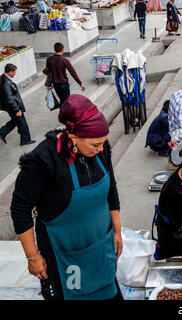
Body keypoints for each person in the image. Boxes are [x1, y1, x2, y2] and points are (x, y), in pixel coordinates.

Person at [10, 94, 123, 300]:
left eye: (102, 143)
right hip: (63, 253)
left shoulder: (101, 148)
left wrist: (117, 230)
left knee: (108, 292)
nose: (100, 150)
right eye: (95, 145)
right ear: (74, 137)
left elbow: (111, 188)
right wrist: (32, 256)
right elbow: (20, 208)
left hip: (100, 242)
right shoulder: (42, 161)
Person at [0, 64, 35, 146]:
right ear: (9, 72)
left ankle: (2, 132)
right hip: (13, 107)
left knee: (15, 121)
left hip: (11, 106)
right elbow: (9, 98)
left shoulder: (4, 78)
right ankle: (25, 140)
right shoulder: (6, 83)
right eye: (14, 72)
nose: (15, 74)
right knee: (22, 123)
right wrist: (16, 110)